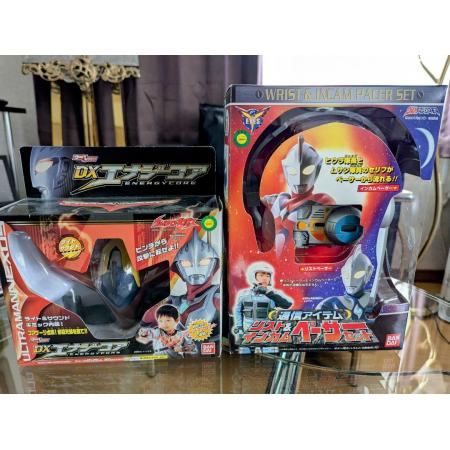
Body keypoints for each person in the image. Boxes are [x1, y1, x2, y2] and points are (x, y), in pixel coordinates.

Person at [233, 262, 292, 342]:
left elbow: (287, 305)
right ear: (253, 277)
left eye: (268, 276)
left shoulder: (274, 294)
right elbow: (238, 311)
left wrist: (269, 293)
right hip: (247, 333)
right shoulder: (244, 294)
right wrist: (239, 327)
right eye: (261, 275)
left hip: (267, 334)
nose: (265, 278)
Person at [316, 245, 374, 320]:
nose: (350, 281)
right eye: (347, 275)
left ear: (368, 273)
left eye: (358, 274)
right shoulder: (329, 304)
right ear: (342, 273)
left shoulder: (375, 297)